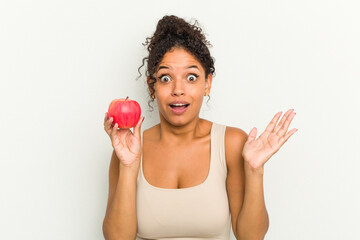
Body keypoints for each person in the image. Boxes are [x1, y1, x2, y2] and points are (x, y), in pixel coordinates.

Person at [102, 15, 298, 240]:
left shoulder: (231, 143)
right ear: (151, 86)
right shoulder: (128, 151)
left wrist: (254, 170)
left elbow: (250, 237)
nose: (178, 90)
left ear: (207, 83)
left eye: (191, 77)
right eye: (165, 78)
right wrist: (128, 166)